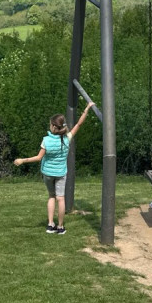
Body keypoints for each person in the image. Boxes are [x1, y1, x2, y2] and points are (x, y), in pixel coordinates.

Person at [14, 100, 95, 234]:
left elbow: (38, 158)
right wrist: (87, 109)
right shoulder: (67, 138)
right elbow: (79, 124)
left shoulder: (46, 140)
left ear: (53, 127)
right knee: (61, 198)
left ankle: (50, 225)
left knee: (51, 196)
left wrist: (22, 160)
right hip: (61, 173)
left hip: (47, 173)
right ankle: (60, 226)